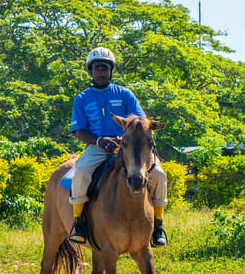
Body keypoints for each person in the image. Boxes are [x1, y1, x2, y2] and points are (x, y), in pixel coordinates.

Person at [68, 47, 169, 247]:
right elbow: (79, 131)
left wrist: (125, 138)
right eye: (97, 68)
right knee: (80, 172)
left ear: (110, 71)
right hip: (97, 147)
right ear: (91, 71)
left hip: (128, 147)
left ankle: (157, 226)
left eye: (105, 68)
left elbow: (142, 122)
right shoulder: (82, 98)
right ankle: (79, 224)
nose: (101, 72)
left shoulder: (124, 94)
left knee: (159, 175)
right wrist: (99, 141)